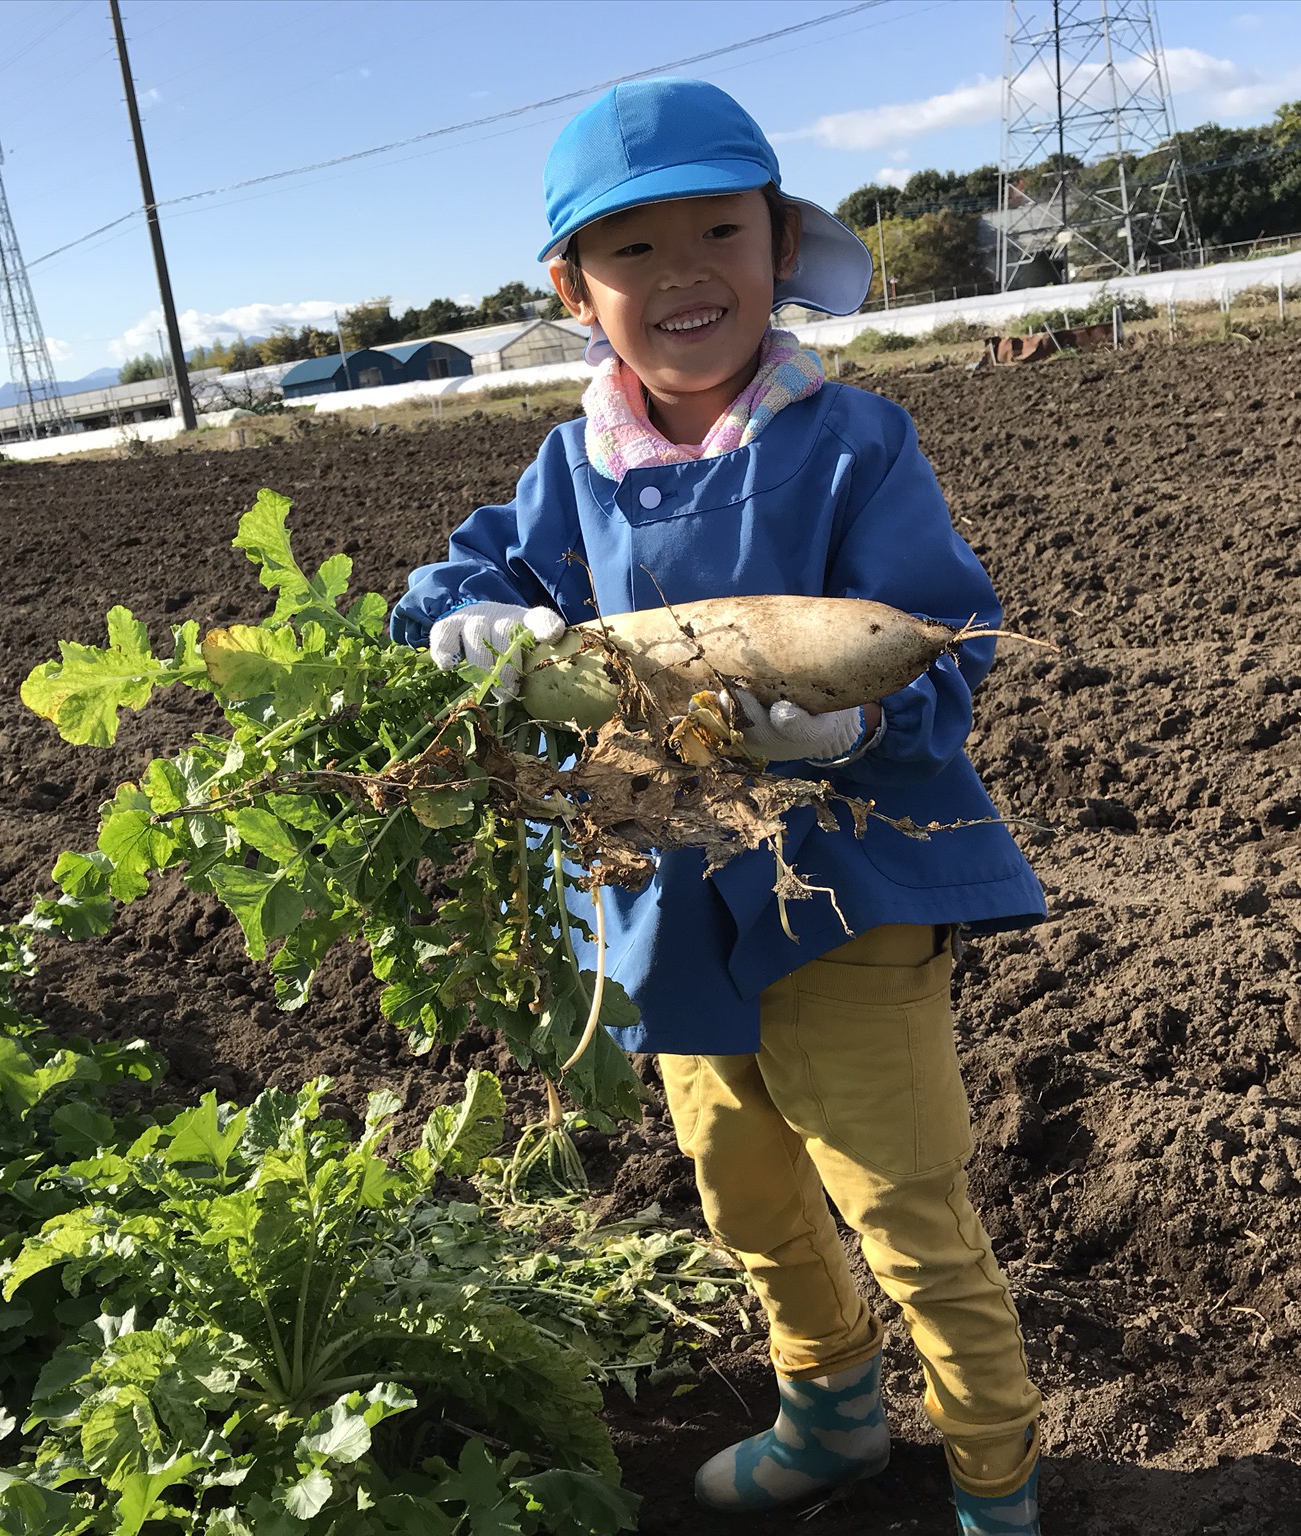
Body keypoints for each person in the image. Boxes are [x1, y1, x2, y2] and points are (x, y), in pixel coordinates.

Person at [391, 78, 1049, 1534]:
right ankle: (831, 1418)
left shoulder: (852, 441)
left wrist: (858, 712)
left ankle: (999, 1486)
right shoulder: (577, 464)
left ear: (777, 245)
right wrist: (471, 619)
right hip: (670, 887)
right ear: (575, 289)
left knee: (906, 1212)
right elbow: (465, 572)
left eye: (717, 231)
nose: (683, 275)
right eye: (632, 251)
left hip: (846, 883)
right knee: (742, 1190)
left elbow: (944, 633)